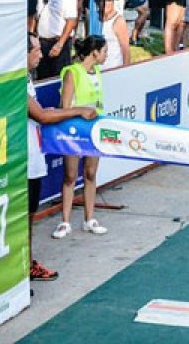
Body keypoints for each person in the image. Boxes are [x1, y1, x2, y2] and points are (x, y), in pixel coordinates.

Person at [26, 34, 98, 282]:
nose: (41, 54)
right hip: (24, 161)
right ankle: (24, 266)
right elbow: (43, 117)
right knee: (26, 218)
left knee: (29, 218)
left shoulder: (27, 79)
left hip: (34, 159)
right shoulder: (17, 81)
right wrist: (79, 110)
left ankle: (27, 264)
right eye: (36, 50)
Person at [53, 35, 109, 239]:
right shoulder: (72, 73)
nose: (106, 56)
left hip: (94, 129)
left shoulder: (98, 72)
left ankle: (89, 219)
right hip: (74, 131)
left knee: (91, 173)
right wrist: (82, 111)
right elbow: (65, 107)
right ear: (94, 52)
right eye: (104, 51)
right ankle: (65, 221)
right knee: (70, 175)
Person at [32, 0, 78, 79]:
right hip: (43, 42)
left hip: (58, 43)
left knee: (59, 77)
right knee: (42, 77)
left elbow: (71, 21)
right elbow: (37, 15)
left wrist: (60, 44)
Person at [100, 0, 130, 69]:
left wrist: (126, 70)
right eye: (103, 0)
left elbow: (126, 49)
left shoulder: (118, 21)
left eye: (109, 0)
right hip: (98, 69)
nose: (106, 3)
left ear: (113, 1)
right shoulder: (96, 19)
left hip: (114, 68)